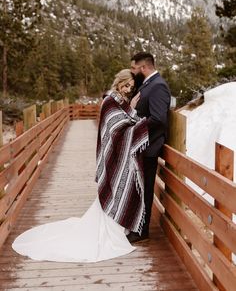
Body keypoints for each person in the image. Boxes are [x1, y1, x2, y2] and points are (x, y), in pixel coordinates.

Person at [12, 69, 149, 263]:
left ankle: (120, 221)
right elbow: (116, 129)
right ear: (118, 83)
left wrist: (132, 109)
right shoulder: (110, 101)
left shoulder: (120, 102)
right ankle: (115, 224)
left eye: (131, 87)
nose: (127, 89)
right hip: (113, 158)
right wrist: (142, 122)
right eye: (125, 85)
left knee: (117, 194)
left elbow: (126, 121)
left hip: (120, 157)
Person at [128, 52, 171, 243]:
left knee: (145, 190)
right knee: (139, 189)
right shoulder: (147, 84)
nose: (132, 71)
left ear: (143, 67)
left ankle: (142, 230)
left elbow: (158, 118)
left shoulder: (158, 86)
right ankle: (137, 225)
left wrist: (134, 124)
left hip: (149, 148)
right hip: (141, 146)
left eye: (134, 68)